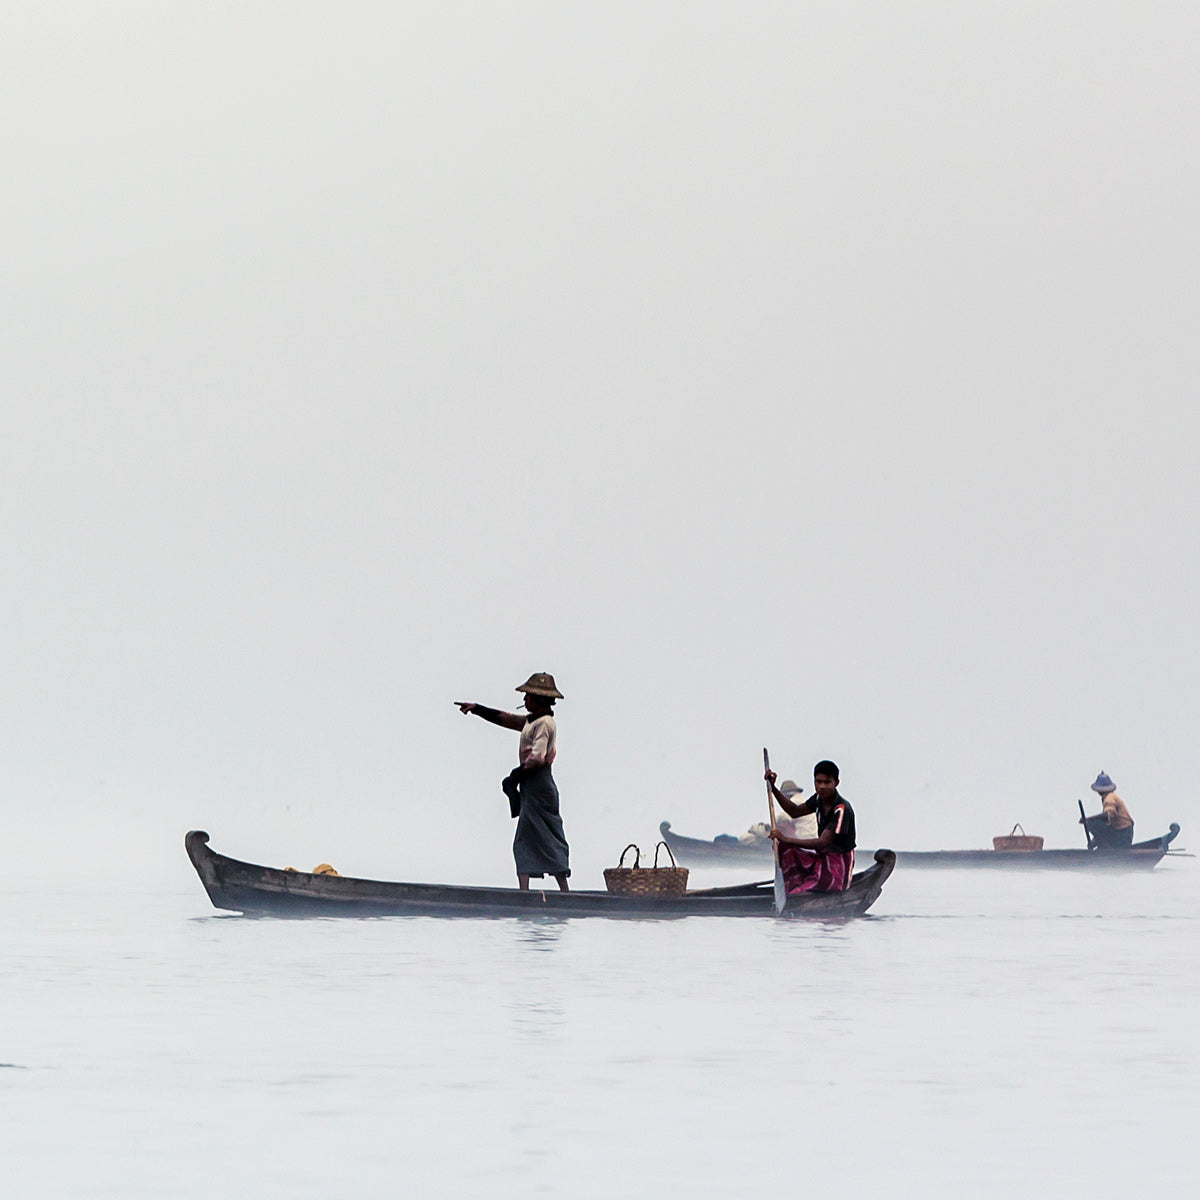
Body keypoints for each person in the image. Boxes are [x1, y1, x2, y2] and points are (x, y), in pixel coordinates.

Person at [455, 673, 571, 891]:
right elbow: (505, 719)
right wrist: (477, 708)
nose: (525, 700)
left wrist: (514, 776)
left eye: (528, 696)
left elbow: (537, 757)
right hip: (532, 785)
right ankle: (543, 891)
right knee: (536, 837)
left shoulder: (545, 723)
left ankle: (534, 893)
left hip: (539, 785)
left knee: (535, 838)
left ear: (539, 699)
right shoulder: (532, 721)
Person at [763, 759, 856, 893]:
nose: (822, 786)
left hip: (837, 866)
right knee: (785, 848)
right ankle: (793, 886)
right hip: (823, 859)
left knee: (787, 844)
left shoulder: (841, 809)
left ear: (836, 783)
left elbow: (822, 842)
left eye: (827, 782)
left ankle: (800, 892)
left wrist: (786, 839)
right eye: (818, 782)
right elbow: (794, 811)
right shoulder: (818, 799)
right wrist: (773, 788)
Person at [1079, 771, 1134, 849]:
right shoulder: (1109, 798)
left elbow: (1106, 816)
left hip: (1123, 834)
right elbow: (1107, 825)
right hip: (1121, 833)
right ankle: (1104, 846)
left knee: (1091, 823)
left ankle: (1107, 846)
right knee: (1100, 846)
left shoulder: (1110, 798)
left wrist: (1087, 819)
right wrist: (1094, 842)